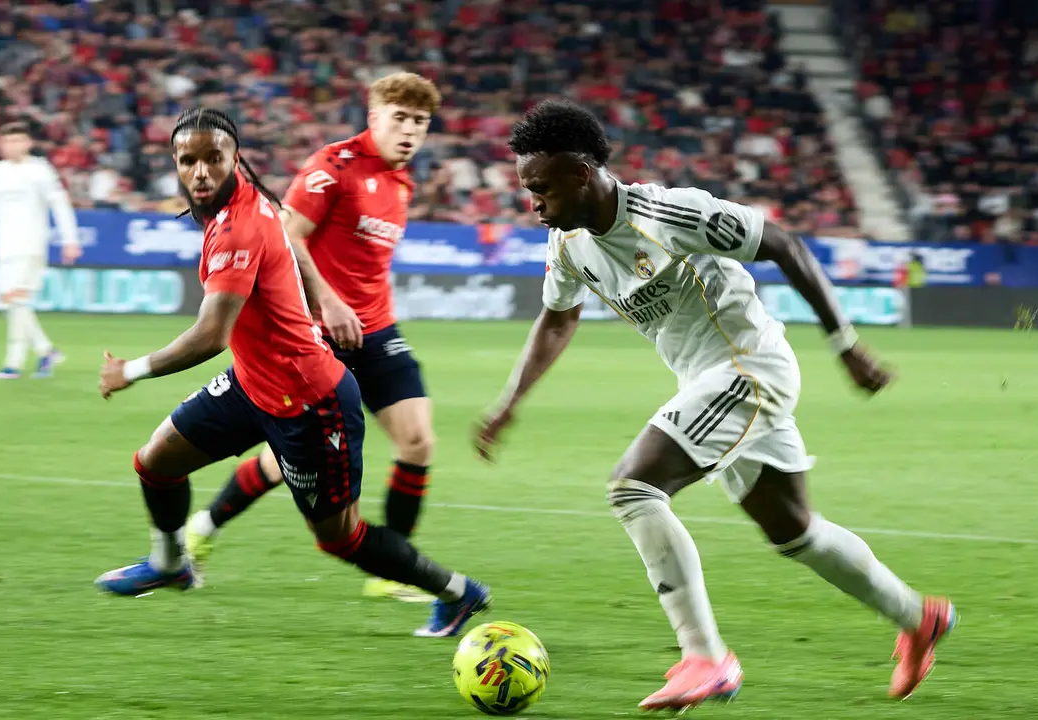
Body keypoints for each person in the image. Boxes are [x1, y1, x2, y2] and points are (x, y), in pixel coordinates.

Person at [474, 99, 955, 710]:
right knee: (794, 531)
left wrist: (847, 345)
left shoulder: (669, 212)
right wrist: (509, 401)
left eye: (540, 187)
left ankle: (704, 657)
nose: (532, 202)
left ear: (581, 171)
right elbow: (558, 318)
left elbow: (784, 243)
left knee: (633, 489)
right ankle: (918, 617)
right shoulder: (569, 245)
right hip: (707, 380)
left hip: (749, 368)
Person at [93, 107, 489, 639]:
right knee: (157, 460)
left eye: (215, 158)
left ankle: (458, 593)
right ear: (176, 164)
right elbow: (289, 238)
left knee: (339, 538)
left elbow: (211, 334)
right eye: (189, 160)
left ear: (236, 159)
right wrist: (325, 296)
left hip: (309, 402)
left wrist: (131, 370)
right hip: (252, 382)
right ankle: (169, 564)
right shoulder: (249, 202)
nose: (202, 171)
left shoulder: (236, 228)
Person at [185, 72, 441, 604]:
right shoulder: (334, 167)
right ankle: (202, 528)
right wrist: (327, 298)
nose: (410, 131)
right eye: (400, 118)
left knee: (418, 441)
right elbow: (286, 230)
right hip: (318, 332)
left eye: (420, 122)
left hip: (376, 330)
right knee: (284, 463)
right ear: (374, 117)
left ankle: (393, 569)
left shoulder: (403, 182)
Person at [0, 121, 82, 379]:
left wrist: (69, 239)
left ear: (28, 143)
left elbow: (59, 205)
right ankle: (44, 351)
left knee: (17, 301)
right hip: (2, 247)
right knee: (13, 304)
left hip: (30, 244)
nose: (12, 146)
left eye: (17, 140)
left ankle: (13, 363)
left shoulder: (40, 170)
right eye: (7, 141)